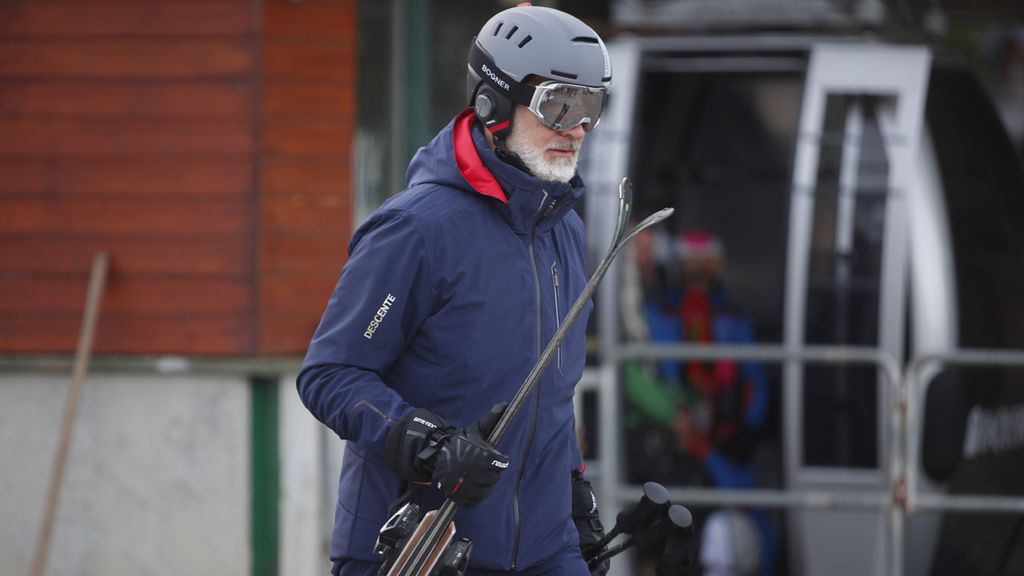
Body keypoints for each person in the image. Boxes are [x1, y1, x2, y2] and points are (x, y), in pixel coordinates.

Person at [297, 5, 613, 576]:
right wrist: (427, 443)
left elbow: (551, 393)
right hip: (422, 549)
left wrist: (572, 499)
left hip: (543, 551)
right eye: (559, 104)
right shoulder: (416, 230)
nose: (577, 127)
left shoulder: (562, 228)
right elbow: (330, 374)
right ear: (494, 104)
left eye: (592, 105)